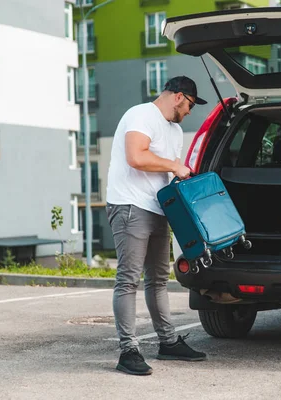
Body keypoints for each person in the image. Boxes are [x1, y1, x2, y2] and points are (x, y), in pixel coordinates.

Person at [105, 76, 208, 376]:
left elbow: (167, 171)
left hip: (158, 207)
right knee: (128, 279)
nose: (189, 112)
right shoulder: (140, 115)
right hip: (129, 206)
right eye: (189, 105)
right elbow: (136, 156)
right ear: (178, 97)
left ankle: (168, 342)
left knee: (159, 279)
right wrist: (175, 166)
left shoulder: (174, 130)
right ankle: (128, 351)